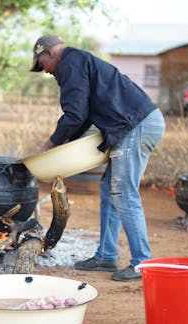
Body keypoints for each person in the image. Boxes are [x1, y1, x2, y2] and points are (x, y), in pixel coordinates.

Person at [30, 35, 165, 281]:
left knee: (124, 193)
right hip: (135, 124)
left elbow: (74, 114)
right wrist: (65, 145)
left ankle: (142, 262)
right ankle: (106, 256)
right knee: (109, 190)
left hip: (136, 126)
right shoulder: (78, 61)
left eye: (42, 65)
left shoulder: (70, 63)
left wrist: (48, 147)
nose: (45, 72)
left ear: (48, 52)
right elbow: (82, 116)